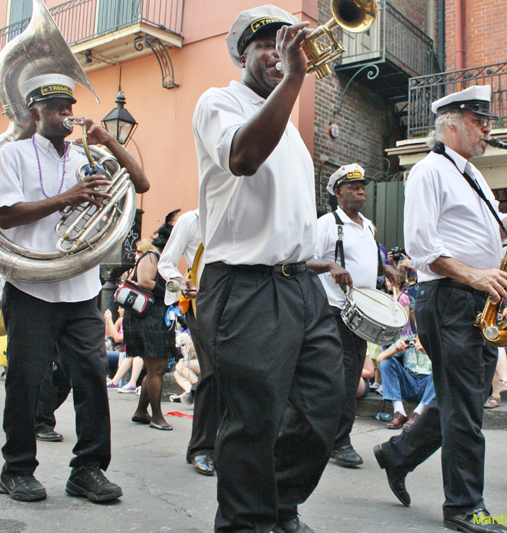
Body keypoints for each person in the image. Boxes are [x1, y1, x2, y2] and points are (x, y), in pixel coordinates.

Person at [192, 7, 344, 532]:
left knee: (326, 408)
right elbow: (243, 157)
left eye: (290, 46)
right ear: (243, 54)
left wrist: (312, 261)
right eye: (269, 46)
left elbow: (287, 215)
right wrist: (296, 75)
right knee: (252, 422)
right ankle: (246, 523)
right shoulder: (219, 102)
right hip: (244, 285)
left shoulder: (294, 131)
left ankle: (277, 504)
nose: (281, 55)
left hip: (300, 284)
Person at [0, 72, 149, 502]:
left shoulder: (85, 156)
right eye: (57, 107)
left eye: (69, 106)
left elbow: (140, 184)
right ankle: (17, 469)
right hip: (31, 286)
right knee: (26, 381)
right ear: (34, 113)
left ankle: (88, 469)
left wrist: (109, 143)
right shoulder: (15, 155)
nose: (67, 113)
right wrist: (68, 199)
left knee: (93, 379)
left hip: (80, 288)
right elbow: (4, 215)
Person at [399, 84, 507, 533]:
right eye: (480, 121)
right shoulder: (428, 171)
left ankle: (395, 455)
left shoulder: (471, 174)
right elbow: (421, 247)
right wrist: (477, 276)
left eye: (488, 121)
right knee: (464, 408)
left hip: (475, 298)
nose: (488, 129)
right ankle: (462, 506)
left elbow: (482, 233)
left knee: (466, 398)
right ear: (451, 125)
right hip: (449, 297)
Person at [308, 163, 402, 467]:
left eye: (363, 187)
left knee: (347, 378)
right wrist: (329, 266)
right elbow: (304, 259)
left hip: (360, 315)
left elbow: (366, 263)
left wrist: (384, 266)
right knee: (344, 378)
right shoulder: (327, 224)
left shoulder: (368, 226)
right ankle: (338, 442)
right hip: (334, 312)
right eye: (353, 187)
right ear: (338, 192)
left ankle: (331, 438)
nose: (361, 191)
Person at [156, 209, 216, 475]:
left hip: (238, 302)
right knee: (213, 372)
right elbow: (166, 262)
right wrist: (183, 282)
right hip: (202, 303)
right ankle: (202, 448)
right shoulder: (192, 220)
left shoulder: (242, 214)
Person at [128, 228, 178, 431]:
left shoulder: (159, 258)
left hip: (154, 315)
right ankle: (157, 416)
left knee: (156, 366)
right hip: (149, 316)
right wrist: (169, 293)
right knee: (157, 367)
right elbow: (145, 282)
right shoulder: (152, 256)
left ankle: (141, 412)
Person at [376, 335, 434, 431]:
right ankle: (399, 412)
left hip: (429, 385)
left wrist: (429, 351)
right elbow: (379, 358)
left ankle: (418, 413)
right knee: (385, 362)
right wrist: (395, 350)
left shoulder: (438, 340)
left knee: (441, 369)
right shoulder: (407, 339)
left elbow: (449, 364)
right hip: (409, 382)